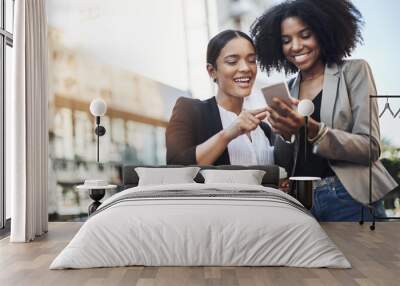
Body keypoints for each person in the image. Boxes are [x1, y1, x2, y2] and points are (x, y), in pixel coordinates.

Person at [250, 0, 397, 221]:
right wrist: (286, 134)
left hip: (347, 197)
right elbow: (285, 162)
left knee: (358, 257)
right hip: (302, 201)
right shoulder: (288, 90)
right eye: (286, 40)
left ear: (323, 32)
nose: (296, 46)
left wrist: (314, 129)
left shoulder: (354, 71)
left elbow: (370, 147)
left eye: (305, 35)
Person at [166, 30, 275, 166]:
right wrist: (229, 133)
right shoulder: (191, 111)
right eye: (232, 61)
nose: (246, 68)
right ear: (212, 71)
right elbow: (176, 166)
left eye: (251, 60)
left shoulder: (263, 129)